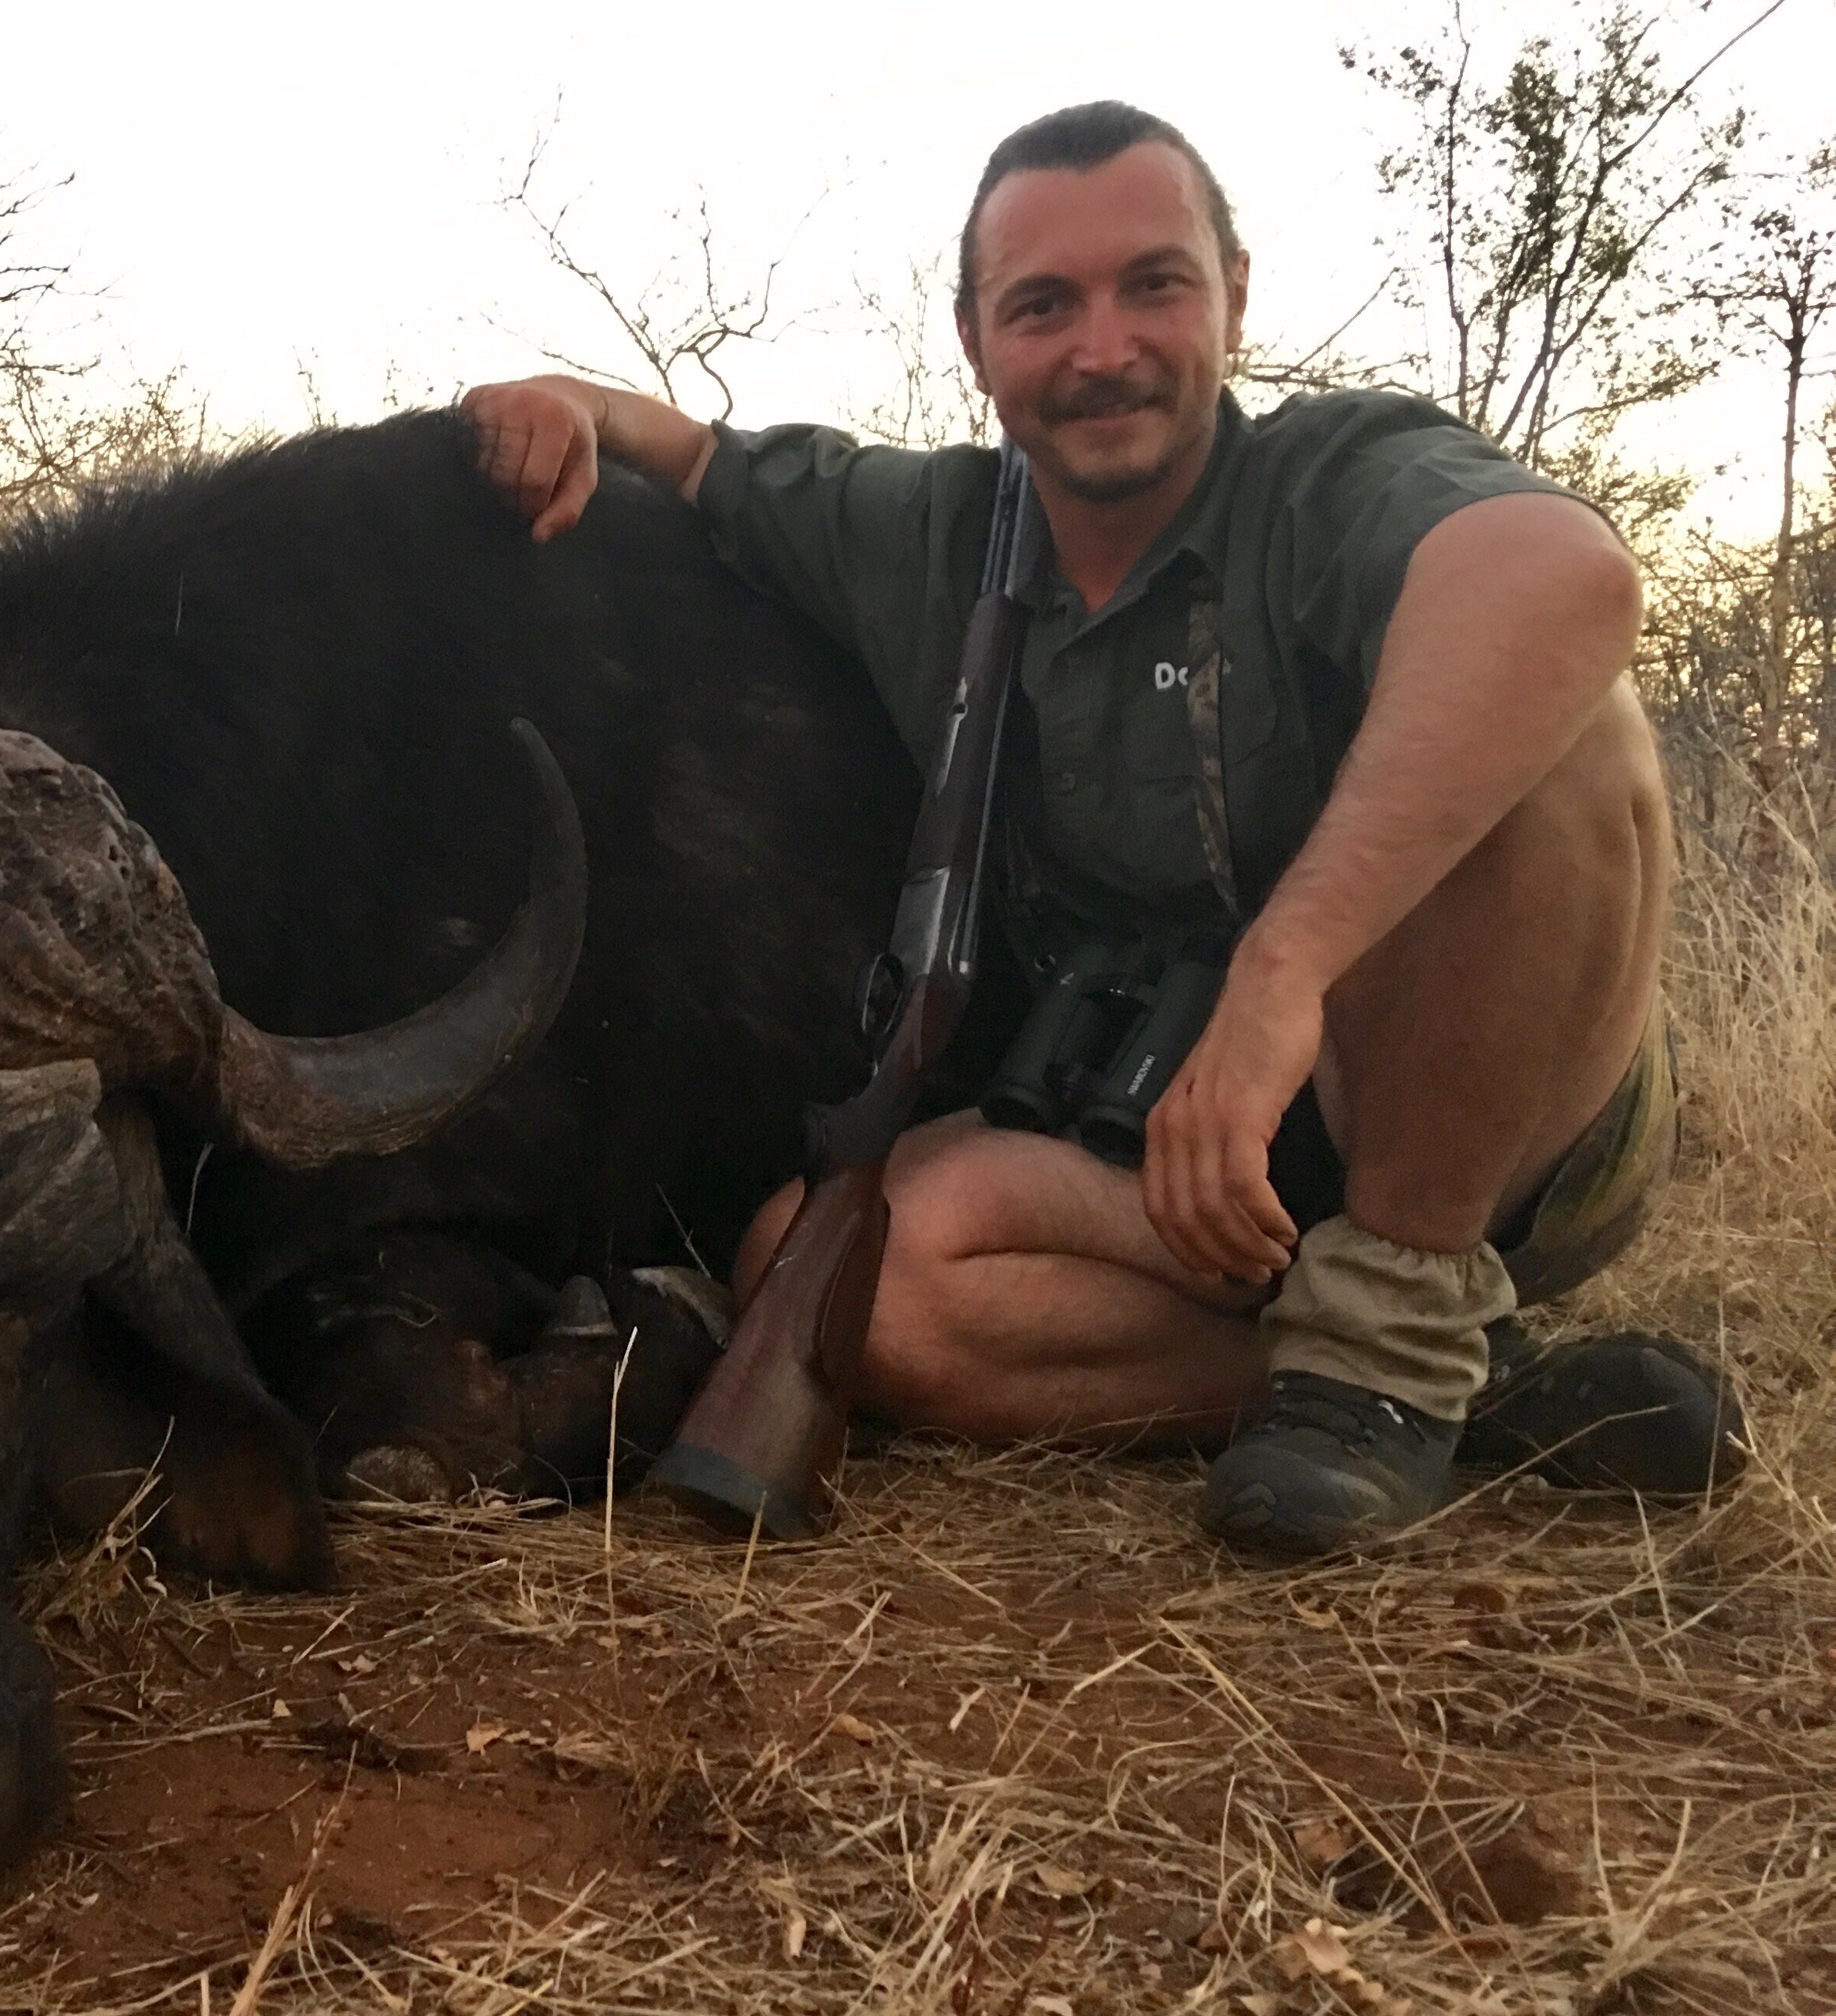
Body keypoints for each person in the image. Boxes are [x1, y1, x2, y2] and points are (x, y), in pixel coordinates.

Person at [462, 100, 1741, 1563]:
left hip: (1469, 1112)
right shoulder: (930, 532)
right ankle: (1465, 1392)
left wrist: (1285, 977)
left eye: (1155, 284)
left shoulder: (1335, 475)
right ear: (975, 341)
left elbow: (1563, 575)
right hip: (1177, 1150)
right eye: (1042, 306)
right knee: (824, 1274)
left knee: (1568, 734)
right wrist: (565, 400)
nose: (1102, 349)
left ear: (1235, 297)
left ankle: (1399, 1323)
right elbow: (696, 460)